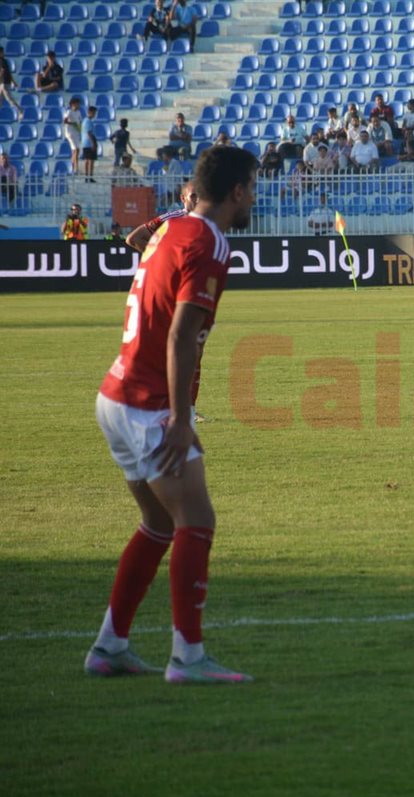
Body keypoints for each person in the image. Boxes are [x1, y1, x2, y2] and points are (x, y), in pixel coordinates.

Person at [87, 146, 259, 684]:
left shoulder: (172, 230)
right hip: (147, 405)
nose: (254, 196)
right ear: (236, 192)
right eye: (252, 187)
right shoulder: (208, 240)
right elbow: (183, 333)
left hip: (114, 396)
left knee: (159, 523)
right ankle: (187, 658)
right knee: (197, 521)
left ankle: (110, 646)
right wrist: (183, 417)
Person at [127, 180, 199, 253]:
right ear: (183, 198)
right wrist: (163, 257)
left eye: (201, 196)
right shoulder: (172, 218)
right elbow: (134, 238)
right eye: (193, 196)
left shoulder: (209, 219)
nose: (198, 200)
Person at [0, 46, 20, 115]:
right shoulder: (3, 61)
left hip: (5, 83)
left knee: (9, 99)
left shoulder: (1, 60)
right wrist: (13, 82)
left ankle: (20, 111)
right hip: (3, 83)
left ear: (1, 53)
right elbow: (9, 72)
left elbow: (3, 71)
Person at [81, 105, 99, 182]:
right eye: (94, 113)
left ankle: (86, 176)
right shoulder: (88, 121)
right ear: (90, 112)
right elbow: (89, 133)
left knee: (87, 160)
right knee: (90, 160)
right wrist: (93, 144)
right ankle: (89, 176)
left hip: (85, 143)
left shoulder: (85, 121)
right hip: (89, 143)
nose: (95, 115)